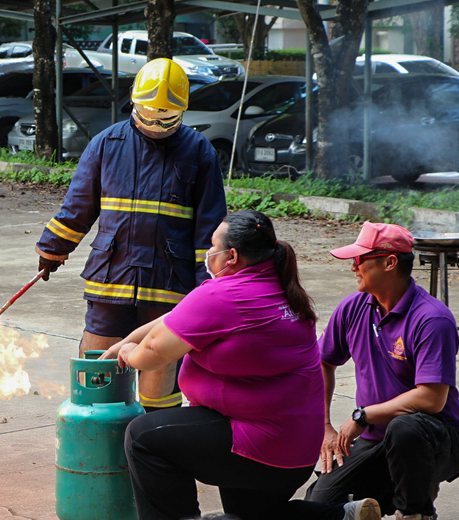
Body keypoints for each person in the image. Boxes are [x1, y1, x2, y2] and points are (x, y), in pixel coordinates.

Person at [103, 211, 382, 520]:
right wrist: (126, 340)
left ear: (231, 255)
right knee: (252, 515)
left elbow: (155, 350)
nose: (209, 253)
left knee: (143, 436)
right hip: (295, 452)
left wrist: (129, 354)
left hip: (259, 447)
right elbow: (176, 319)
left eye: (213, 246)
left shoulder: (224, 295)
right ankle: (340, 516)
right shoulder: (282, 288)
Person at [35, 58, 227, 412]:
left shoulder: (199, 152)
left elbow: (210, 230)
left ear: (182, 110)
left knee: (159, 381)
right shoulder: (106, 144)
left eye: (166, 119)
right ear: (133, 100)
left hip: (169, 285)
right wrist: (52, 248)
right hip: (112, 281)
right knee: (98, 374)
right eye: (149, 115)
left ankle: (152, 450)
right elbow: (78, 207)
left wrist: (209, 287)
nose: (155, 125)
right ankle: (96, 452)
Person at [305, 222, 459, 520]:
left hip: (435, 440)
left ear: (390, 262)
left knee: (404, 429)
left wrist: (363, 415)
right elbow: (322, 362)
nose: (354, 267)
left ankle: (415, 511)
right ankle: (387, 497)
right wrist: (325, 426)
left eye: (360, 260)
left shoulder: (432, 319)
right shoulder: (353, 308)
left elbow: (432, 400)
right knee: (319, 503)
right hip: (375, 440)